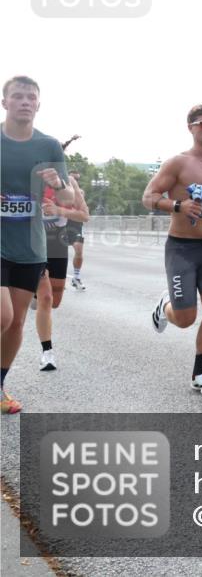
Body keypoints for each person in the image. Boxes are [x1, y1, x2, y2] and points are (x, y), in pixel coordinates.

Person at [142, 103, 202, 395]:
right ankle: (165, 306)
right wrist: (177, 205)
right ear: (192, 128)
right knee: (185, 319)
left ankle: (200, 374)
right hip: (181, 248)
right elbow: (148, 197)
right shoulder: (178, 163)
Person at [1, 76, 74, 413]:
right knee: (2, 316)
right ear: (5, 102)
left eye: (31, 97)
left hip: (30, 246)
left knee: (15, 321)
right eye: (18, 96)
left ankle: (0, 387)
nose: (25, 102)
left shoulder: (48, 146)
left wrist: (58, 183)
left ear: (39, 104)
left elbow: (68, 196)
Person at [35, 172, 89, 371]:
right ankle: (47, 353)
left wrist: (58, 209)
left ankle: (33, 295)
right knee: (46, 298)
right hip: (33, 244)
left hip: (57, 245)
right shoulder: (28, 178)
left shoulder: (69, 182)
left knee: (54, 301)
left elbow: (84, 215)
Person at [65, 170, 88, 290]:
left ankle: (76, 277)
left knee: (79, 250)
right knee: (55, 254)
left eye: (77, 179)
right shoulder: (61, 190)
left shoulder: (80, 192)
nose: (75, 181)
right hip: (62, 224)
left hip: (76, 225)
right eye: (73, 178)